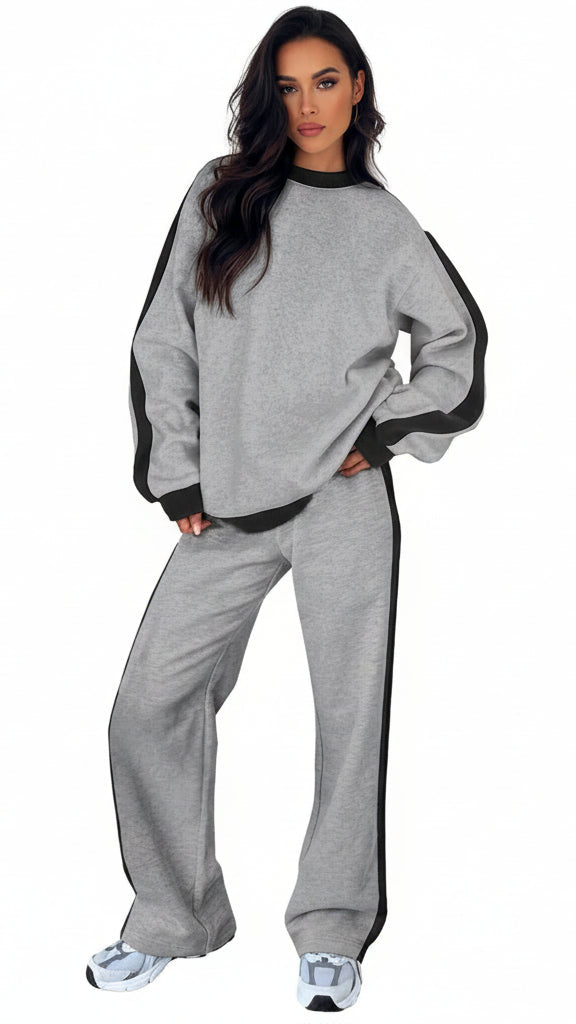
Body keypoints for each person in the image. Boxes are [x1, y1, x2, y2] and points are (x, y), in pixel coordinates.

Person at [86, 6, 487, 1011]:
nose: (307, 104)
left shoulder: (387, 228)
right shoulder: (220, 194)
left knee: (348, 716)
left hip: (342, 500)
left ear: (358, 87)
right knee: (149, 704)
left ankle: (333, 929)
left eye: (325, 81)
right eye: (288, 85)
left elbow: (458, 351)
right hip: (224, 504)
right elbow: (162, 338)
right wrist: (177, 470)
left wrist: (383, 435)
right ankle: (175, 917)